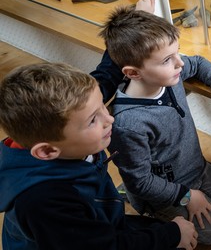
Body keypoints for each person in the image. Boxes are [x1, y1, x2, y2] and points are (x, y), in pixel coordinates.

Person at [0, 62, 198, 250]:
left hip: (98, 222)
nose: (110, 119)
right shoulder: (43, 203)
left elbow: (107, 72)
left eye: (103, 105)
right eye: (93, 120)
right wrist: (173, 234)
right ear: (47, 151)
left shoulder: (64, 139)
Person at [98, 5, 211, 245]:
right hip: (164, 190)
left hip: (196, 168)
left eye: (177, 52)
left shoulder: (170, 75)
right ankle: (148, 209)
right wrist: (187, 195)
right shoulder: (127, 125)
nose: (180, 63)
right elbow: (139, 181)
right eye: (168, 59)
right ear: (134, 73)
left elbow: (198, 63)